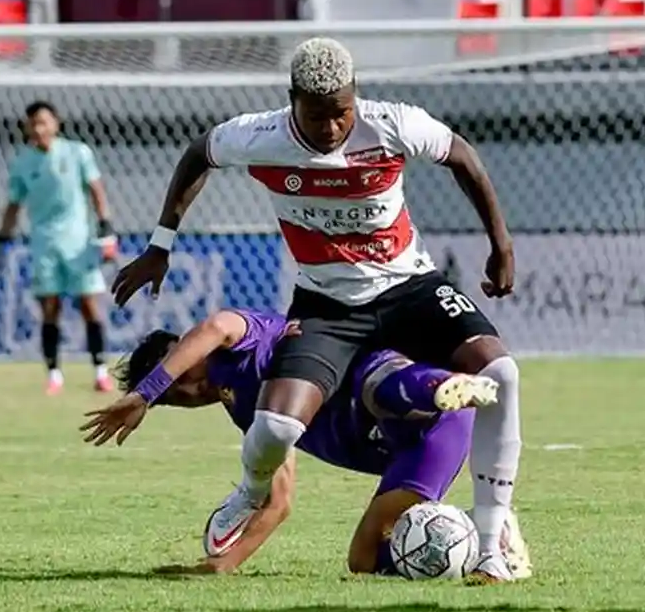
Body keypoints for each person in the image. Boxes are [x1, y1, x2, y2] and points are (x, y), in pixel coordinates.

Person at [110, 37, 523, 583]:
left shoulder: (394, 124)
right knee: (277, 427)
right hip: (327, 304)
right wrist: (161, 242)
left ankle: (492, 546)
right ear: (292, 102)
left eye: (342, 112)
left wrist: (501, 245)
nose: (331, 128)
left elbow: (463, 156)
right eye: (317, 115)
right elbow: (198, 153)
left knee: (501, 371)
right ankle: (248, 491)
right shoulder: (262, 136)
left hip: (410, 286)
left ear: (357, 98)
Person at [82, 310, 531, 578]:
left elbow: (216, 325)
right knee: (365, 558)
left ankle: (443, 383)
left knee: (377, 386)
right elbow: (278, 502)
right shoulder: (250, 417)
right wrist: (226, 564)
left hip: (400, 394)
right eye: (173, 400)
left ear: (181, 348)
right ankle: (484, 529)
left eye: (176, 379)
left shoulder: (241, 340)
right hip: (415, 451)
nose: (185, 392)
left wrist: (146, 391)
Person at [0, 101, 118, 395]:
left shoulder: (77, 152)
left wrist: (107, 227)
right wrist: (1, 240)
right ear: (27, 127)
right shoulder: (23, 163)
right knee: (50, 308)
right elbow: (13, 205)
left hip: (79, 242)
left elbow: (96, 190)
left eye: (44, 122)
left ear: (55, 124)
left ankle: (100, 372)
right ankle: (54, 375)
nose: (39, 128)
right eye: (33, 123)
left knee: (89, 305)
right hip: (44, 244)